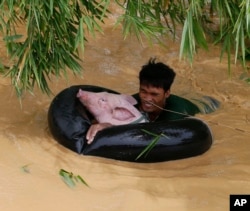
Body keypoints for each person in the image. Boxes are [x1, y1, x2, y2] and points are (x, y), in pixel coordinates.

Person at [86, 58, 177, 144]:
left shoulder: (176, 112)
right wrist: (105, 125)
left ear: (167, 93)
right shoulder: (131, 104)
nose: (147, 99)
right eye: (143, 91)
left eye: (154, 94)